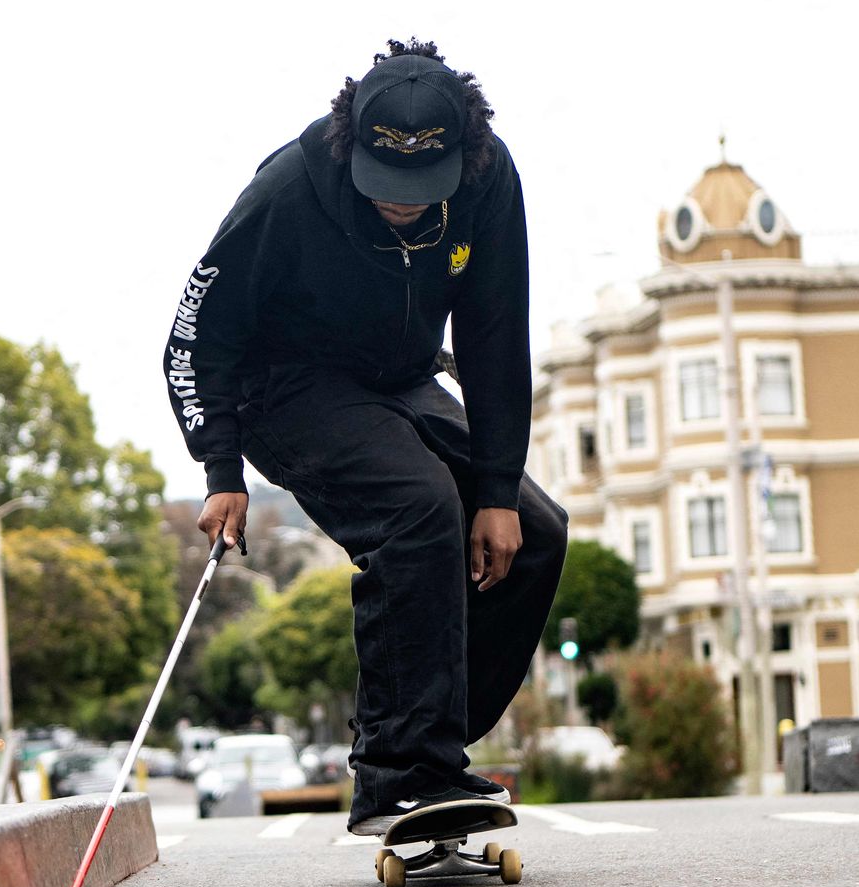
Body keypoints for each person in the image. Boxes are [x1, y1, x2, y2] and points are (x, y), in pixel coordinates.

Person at [162, 40, 567, 835]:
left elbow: (493, 337)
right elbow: (194, 337)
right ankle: (396, 771)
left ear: (465, 152)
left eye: (422, 188)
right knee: (417, 510)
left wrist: (494, 491)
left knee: (535, 531)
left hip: (402, 379)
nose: (403, 203)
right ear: (352, 145)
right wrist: (221, 468)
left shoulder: (489, 178)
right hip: (287, 386)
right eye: (387, 188)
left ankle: (430, 749)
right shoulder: (286, 190)